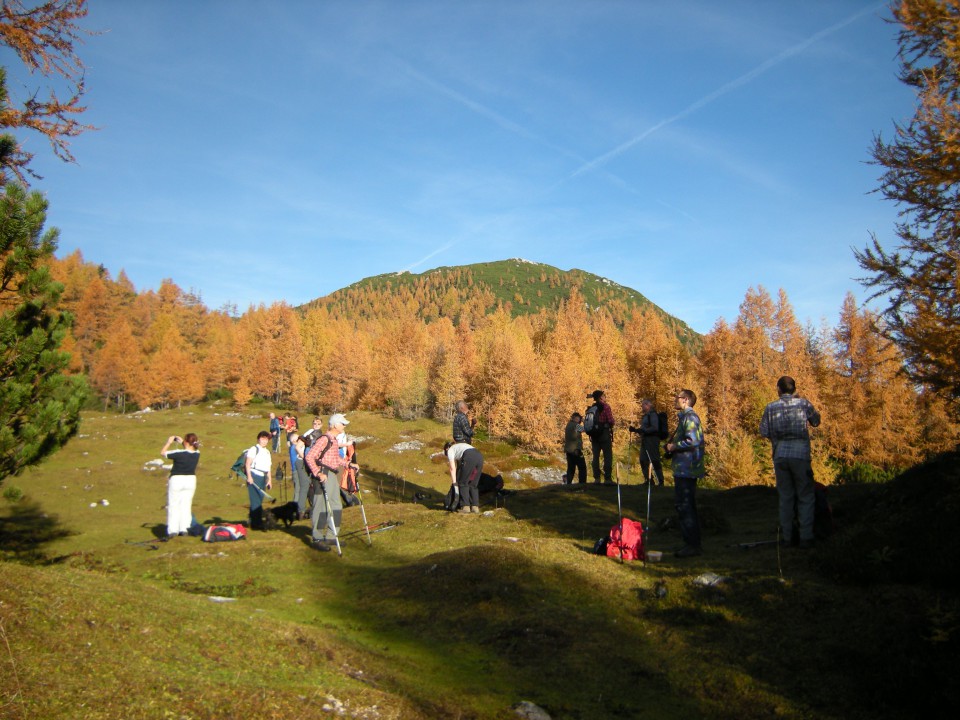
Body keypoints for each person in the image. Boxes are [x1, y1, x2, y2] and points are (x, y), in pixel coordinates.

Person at [760, 376, 822, 549]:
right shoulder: (803, 404)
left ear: (779, 389)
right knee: (805, 495)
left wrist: (776, 434)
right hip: (800, 454)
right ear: (794, 389)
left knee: (785, 497)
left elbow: (763, 431)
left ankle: (787, 537)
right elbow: (816, 421)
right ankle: (806, 537)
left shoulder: (771, 407)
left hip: (780, 454)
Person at [305, 413, 358, 552]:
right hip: (323, 475)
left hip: (332, 475)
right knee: (320, 507)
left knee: (336, 505)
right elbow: (310, 457)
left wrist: (348, 464)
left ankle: (331, 535)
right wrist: (318, 473)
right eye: (342, 423)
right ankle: (317, 538)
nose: (344, 426)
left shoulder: (333, 440)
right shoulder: (324, 439)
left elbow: (335, 459)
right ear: (334, 425)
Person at [666, 389, 705, 558]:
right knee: (685, 505)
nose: (675, 400)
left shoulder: (690, 417)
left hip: (687, 468)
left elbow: (693, 440)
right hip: (684, 467)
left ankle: (692, 545)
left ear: (686, 400)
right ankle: (691, 543)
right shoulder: (685, 418)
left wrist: (674, 446)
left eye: (678, 397)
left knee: (685, 505)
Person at [159, 433, 200, 540]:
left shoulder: (178, 453)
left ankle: (173, 530)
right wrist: (183, 441)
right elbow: (189, 448)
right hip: (190, 480)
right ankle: (184, 529)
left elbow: (163, 453)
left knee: (174, 505)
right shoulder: (197, 454)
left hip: (177, 479)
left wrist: (169, 442)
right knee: (186, 505)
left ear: (186, 442)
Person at [444, 440, 484, 514]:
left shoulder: (450, 450)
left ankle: (465, 507)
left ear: (446, 449)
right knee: (473, 484)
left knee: (463, 483)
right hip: (479, 456)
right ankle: (475, 507)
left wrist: (454, 482)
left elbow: (452, 468)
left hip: (469, 456)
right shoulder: (460, 446)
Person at [244, 430, 273, 530]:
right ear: (258, 439)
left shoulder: (267, 452)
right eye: (262, 439)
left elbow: (268, 467)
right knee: (255, 500)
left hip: (263, 476)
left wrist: (269, 480)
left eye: (266, 439)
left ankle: (252, 520)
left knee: (259, 499)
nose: (264, 441)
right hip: (254, 474)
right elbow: (248, 463)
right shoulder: (254, 449)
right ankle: (257, 523)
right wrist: (249, 477)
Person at [586, 390, 615, 484]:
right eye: (604, 395)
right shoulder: (606, 406)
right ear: (600, 397)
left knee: (595, 457)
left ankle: (597, 478)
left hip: (594, 435)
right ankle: (607, 479)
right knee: (607, 456)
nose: (605, 396)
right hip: (604, 434)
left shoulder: (592, 408)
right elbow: (611, 421)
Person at [636, 399, 665, 487]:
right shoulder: (645, 416)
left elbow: (655, 428)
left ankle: (660, 480)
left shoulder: (652, 415)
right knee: (643, 459)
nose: (642, 407)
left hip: (652, 440)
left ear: (648, 405)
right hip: (645, 440)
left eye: (643, 405)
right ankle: (649, 480)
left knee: (654, 459)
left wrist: (644, 430)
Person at [288, 431, 310, 519]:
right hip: (296, 470)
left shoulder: (292, 447)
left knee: (299, 488)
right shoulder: (294, 447)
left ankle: (297, 508)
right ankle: (296, 510)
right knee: (298, 489)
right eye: (298, 439)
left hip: (295, 469)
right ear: (294, 440)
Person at [563, 411, 587, 484]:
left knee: (571, 468)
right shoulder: (576, 425)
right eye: (579, 418)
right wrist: (584, 421)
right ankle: (582, 483)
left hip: (568, 450)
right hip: (576, 450)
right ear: (576, 418)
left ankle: (568, 483)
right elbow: (586, 429)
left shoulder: (568, 425)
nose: (580, 420)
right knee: (582, 467)